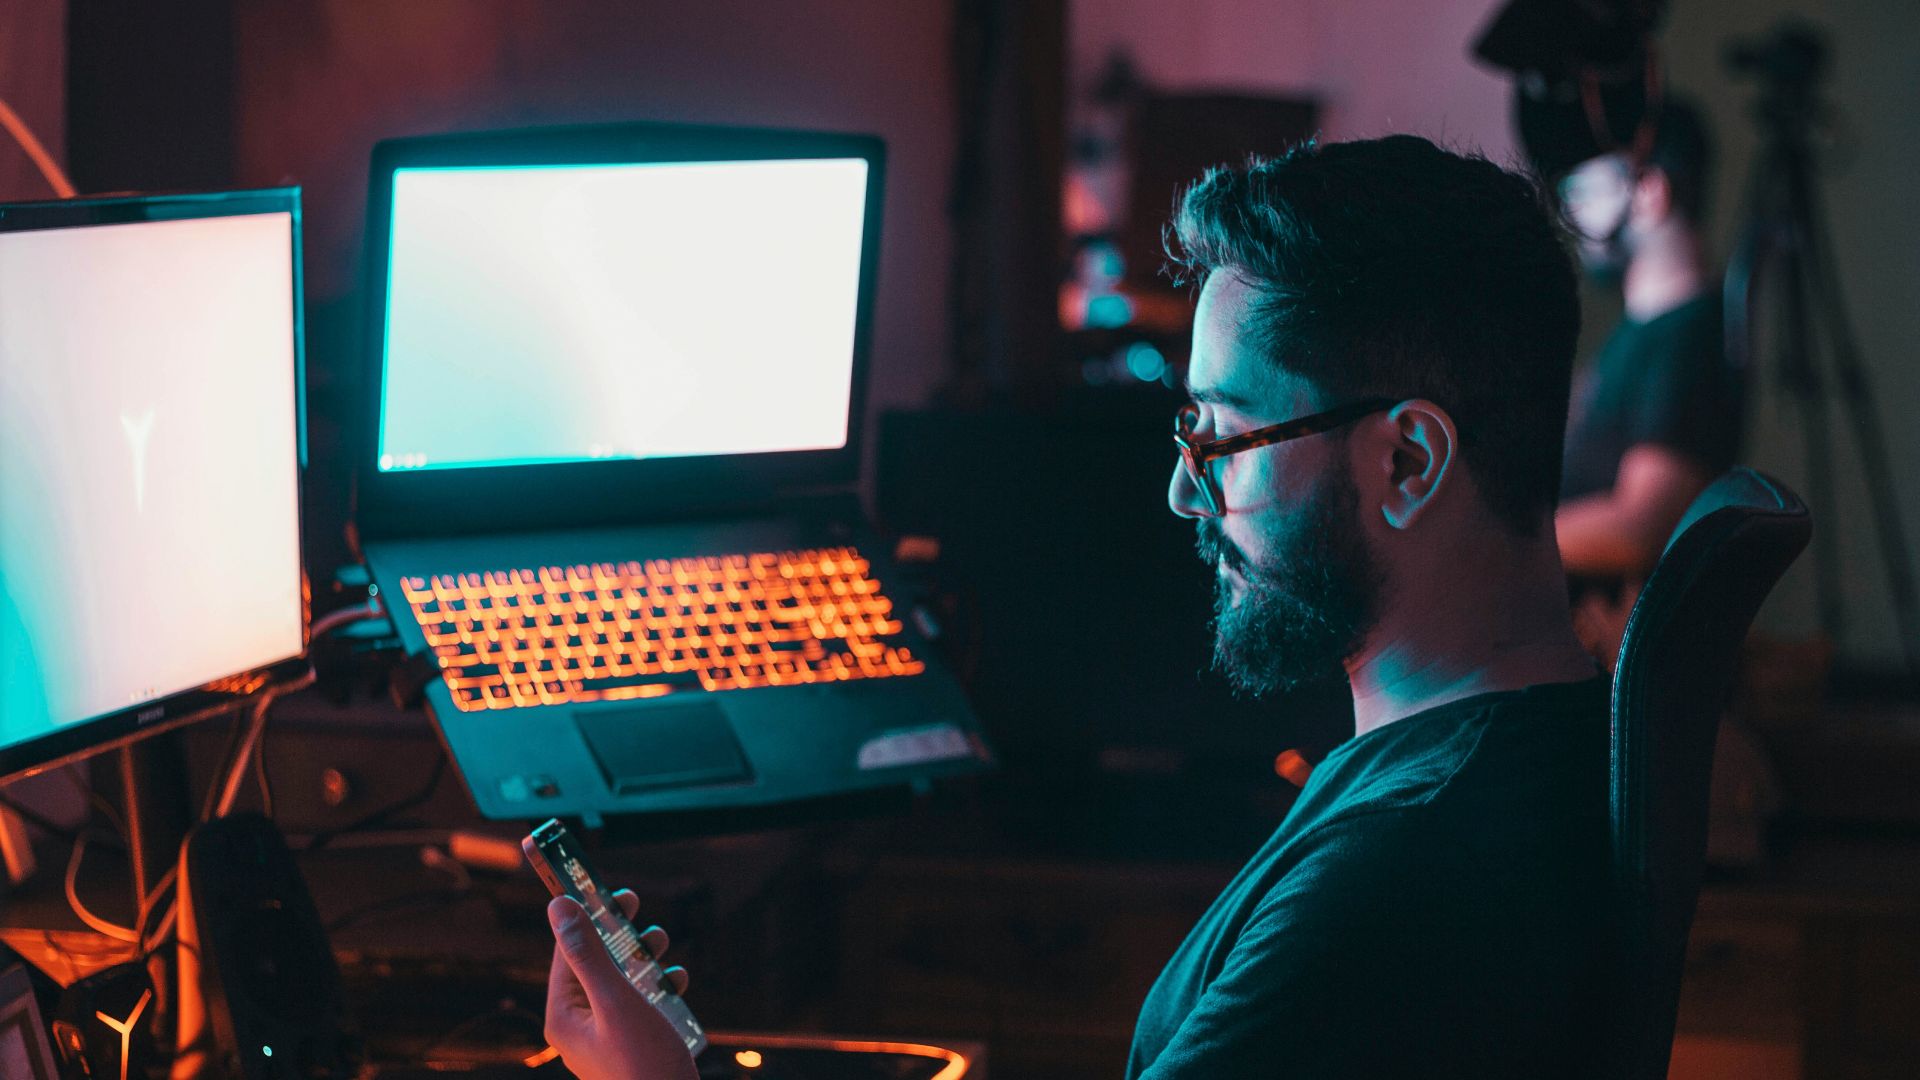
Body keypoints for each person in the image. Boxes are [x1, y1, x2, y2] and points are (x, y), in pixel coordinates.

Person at [544, 135, 1613, 1078]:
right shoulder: (1538, 749)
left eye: (1225, 435)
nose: (1184, 489)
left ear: (1408, 460)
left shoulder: (1398, 879)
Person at [1555, 101, 1740, 661]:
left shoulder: (1689, 340)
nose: (1572, 210)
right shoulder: (1643, 332)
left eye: (1585, 189)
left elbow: (1641, 528)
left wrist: (1497, 541)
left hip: (1606, 651)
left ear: (1651, 191)